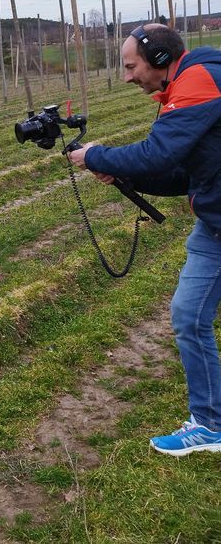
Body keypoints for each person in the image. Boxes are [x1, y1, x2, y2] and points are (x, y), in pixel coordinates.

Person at [68, 23, 221, 456]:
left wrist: (95, 155)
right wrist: (124, 172)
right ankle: (210, 425)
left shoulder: (199, 80)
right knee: (188, 316)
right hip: (213, 222)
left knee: (190, 316)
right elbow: (184, 174)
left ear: (158, 60)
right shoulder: (188, 84)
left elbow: (158, 153)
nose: (127, 76)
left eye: (131, 66)